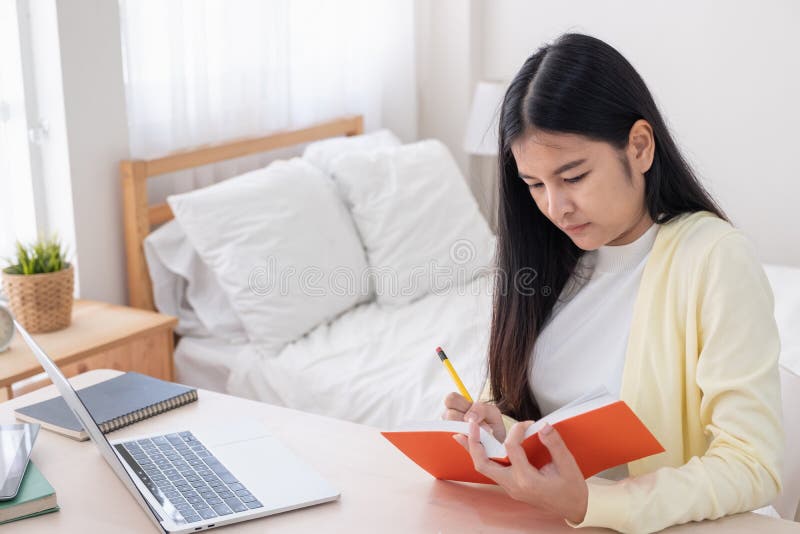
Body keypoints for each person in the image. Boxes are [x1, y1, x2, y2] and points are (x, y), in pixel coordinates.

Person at [443, 33, 783, 533]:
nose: (555, 208)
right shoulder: (549, 261)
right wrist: (504, 433)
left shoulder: (713, 257)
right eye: (535, 185)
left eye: (574, 176)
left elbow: (753, 464)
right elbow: (561, 435)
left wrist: (594, 505)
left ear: (639, 147)